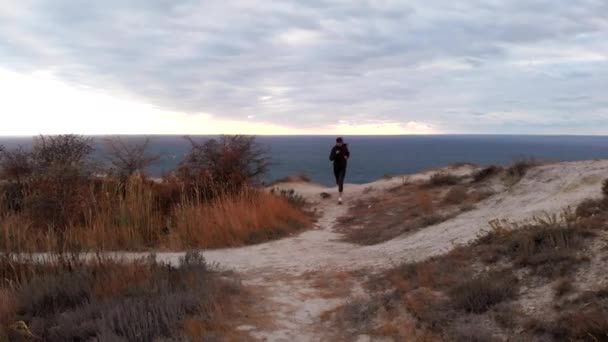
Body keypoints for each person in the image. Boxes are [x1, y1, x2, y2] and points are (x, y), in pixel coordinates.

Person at [329, 137, 350, 204]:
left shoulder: (344, 147)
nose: (340, 144)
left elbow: (347, 153)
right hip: (336, 167)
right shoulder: (334, 149)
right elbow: (330, 158)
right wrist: (336, 154)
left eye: (341, 142)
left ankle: (340, 198)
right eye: (339, 143)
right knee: (338, 181)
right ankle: (338, 183)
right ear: (337, 142)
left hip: (343, 167)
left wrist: (347, 156)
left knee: (341, 181)